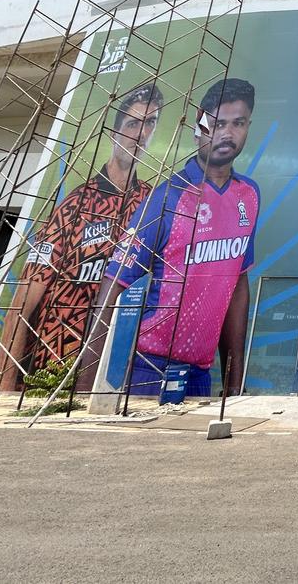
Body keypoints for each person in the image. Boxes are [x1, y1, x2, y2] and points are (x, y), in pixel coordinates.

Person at [91, 77, 260, 400]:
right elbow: (112, 285)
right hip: (146, 367)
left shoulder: (249, 194)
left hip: (199, 373)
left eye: (237, 123)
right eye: (218, 123)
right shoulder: (168, 196)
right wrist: (88, 390)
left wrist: (234, 387)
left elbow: (237, 284)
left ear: (248, 125)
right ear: (201, 124)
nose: (227, 133)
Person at [0, 83, 163, 390]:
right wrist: (4, 389)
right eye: (133, 124)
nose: (141, 133)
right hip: (52, 372)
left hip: (113, 373)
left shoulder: (152, 203)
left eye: (150, 123)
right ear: (114, 134)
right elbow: (22, 305)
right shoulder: (77, 204)